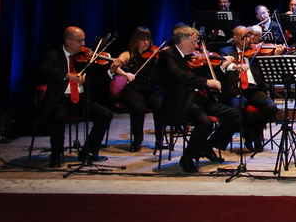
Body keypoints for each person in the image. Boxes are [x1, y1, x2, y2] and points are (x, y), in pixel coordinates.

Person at [158, 25, 239, 173]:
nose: (196, 46)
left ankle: (207, 147)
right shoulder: (168, 55)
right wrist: (206, 82)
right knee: (205, 122)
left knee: (234, 115)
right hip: (180, 101)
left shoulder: (193, 57)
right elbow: (179, 76)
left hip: (198, 99)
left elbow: (207, 74)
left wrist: (222, 67)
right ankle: (187, 158)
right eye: (193, 42)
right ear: (182, 40)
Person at [36, 26, 114, 167]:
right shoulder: (53, 55)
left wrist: (111, 71)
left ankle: (88, 151)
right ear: (68, 41)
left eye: (84, 40)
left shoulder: (85, 58)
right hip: (60, 100)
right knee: (58, 117)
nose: (83, 44)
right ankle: (56, 154)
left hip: (81, 100)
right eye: (80, 41)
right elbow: (44, 71)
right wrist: (67, 75)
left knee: (105, 114)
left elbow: (97, 79)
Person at [220, 26, 279, 152]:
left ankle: (252, 133)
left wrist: (276, 53)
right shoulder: (226, 51)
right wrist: (234, 65)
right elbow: (222, 66)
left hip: (254, 89)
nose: (248, 40)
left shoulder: (256, 51)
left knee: (271, 108)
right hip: (236, 90)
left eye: (249, 36)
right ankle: (252, 137)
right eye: (244, 37)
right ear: (235, 38)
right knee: (237, 109)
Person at [110, 26, 164, 152]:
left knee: (159, 105)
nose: (146, 42)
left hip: (148, 89)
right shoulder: (128, 54)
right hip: (133, 89)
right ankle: (137, 140)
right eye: (143, 39)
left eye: (148, 39)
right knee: (138, 106)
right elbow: (115, 66)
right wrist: (125, 74)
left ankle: (159, 139)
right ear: (136, 40)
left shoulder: (153, 54)